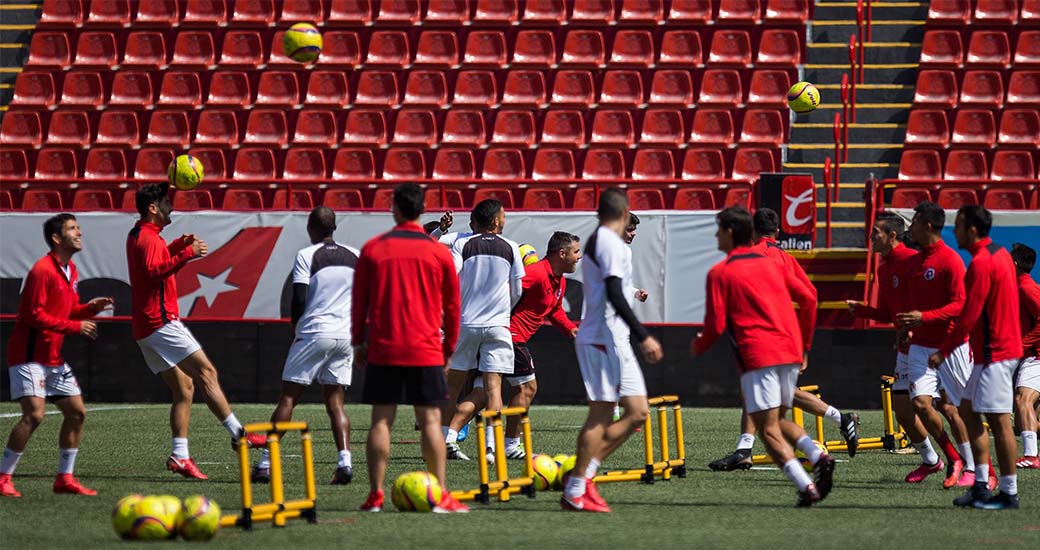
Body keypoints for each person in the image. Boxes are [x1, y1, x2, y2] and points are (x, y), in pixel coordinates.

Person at [692, 206, 833, 507]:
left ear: (731, 233)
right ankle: (819, 455)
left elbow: (715, 326)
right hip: (790, 350)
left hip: (760, 354)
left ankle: (806, 487)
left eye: (718, 230)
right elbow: (809, 298)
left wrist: (698, 347)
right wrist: (805, 345)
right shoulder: (774, 264)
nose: (716, 235)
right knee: (779, 420)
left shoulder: (720, 271)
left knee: (767, 430)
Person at [126, 183, 265, 480]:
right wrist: (187, 253)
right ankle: (238, 433)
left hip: (145, 327)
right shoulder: (149, 239)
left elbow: (153, 263)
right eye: (165, 202)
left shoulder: (143, 234)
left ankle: (180, 456)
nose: (170, 206)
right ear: (152, 208)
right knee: (207, 373)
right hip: (160, 322)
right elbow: (154, 273)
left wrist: (176, 246)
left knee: (184, 388)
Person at [710, 208, 859, 471]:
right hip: (787, 335)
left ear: (752, 232)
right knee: (776, 395)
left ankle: (749, 451)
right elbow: (810, 295)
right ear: (777, 232)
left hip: (765, 337)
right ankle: (840, 419)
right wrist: (804, 346)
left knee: (763, 396)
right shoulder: (785, 258)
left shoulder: (753, 257)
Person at [351, 183, 468, 513]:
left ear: (395, 209)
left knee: (381, 421)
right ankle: (441, 494)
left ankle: (374, 495)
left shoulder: (374, 248)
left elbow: (359, 303)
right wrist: (449, 350)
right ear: (421, 210)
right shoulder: (439, 252)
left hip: (385, 347)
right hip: (426, 348)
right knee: (431, 421)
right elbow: (453, 307)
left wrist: (358, 341)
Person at [563, 189, 664, 513]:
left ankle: (581, 478)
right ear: (623, 212)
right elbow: (614, 295)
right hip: (600, 339)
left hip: (613, 340)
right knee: (602, 414)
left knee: (638, 412)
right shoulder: (607, 241)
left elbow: (618, 292)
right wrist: (644, 335)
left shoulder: (611, 243)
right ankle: (576, 487)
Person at [0, 214, 113, 498]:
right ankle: (3, 478)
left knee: (76, 413)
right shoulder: (42, 270)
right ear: (56, 238)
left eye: (78, 227)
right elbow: (33, 315)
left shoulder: (70, 269)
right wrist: (77, 326)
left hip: (52, 358)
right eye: (73, 228)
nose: (79, 232)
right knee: (34, 416)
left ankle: (64, 479)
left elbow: (68, 309)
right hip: (29, 356)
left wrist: (89, 309)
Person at [444, 232, 582, 461]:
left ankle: (448, 437)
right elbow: (506, 288)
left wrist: (571, 329)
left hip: (503, 336)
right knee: (527, 388)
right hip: (509, 335)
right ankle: (509, 444)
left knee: (481, 393)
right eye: (576, 252)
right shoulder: (536, 273)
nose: (579, 257)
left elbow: (556, 310)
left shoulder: (560, 280)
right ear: (562, 253)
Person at [252, 207, 359, 485]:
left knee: (289, 398)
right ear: (334, 226)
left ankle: (265, 464)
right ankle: (344, 462)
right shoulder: (354, 254)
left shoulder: (306, 255)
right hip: (345, 334)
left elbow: (299, 297)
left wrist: (295, 325)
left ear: (311, 228)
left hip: (314, 331)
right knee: (336, 402)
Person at [931, 206, 1022, 509]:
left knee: (999, 422)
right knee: (967, 411)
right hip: (992, 351)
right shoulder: (999, 252)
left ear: (971, 229)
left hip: (994, 352)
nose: (953, 231)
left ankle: (1008, 493)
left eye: (957, 226)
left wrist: (942, 351)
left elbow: (968, 316)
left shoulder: (981, 263)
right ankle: (981, 484)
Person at [895, 201, 980, 489]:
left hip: (951, 345)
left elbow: (961, 304)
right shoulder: (914, 263)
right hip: (920, 346)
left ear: (927, 226)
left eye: (915, 221)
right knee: (920, 403)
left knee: (957, 410)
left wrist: (925, 317)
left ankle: (977, 468)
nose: (911, 228)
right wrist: (907, 328)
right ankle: (952, 458)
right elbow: (914, 306)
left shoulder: (950, 260)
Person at [846, 213, 934, 479]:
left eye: (875, 233)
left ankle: (967, 463)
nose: (870, 237)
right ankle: (932, 460)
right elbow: (887, 313)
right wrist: (862, 311)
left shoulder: (913, 261)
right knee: (904, 412)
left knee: (946, 409)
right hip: (906, 347)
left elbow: (929, 304)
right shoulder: (884, 268)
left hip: (931, 344)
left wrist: (916, 327)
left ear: (892, 235)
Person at [442, 200, 525, 464]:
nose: (505, 220)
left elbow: (452, 278)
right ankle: (490, 448)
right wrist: (503, 311)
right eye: (503, 216)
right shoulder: (512, 247)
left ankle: (446, 440)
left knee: (452, 385)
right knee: (493, 388)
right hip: (498, 325)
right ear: (495, 221)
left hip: (465, 323)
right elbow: (518, 291)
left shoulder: (462, 244)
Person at [1012, 243, 1040, 469]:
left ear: (1015, 263)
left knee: (1023, 400)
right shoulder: (1018, 286)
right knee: (1029, 410)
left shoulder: (1025, 287)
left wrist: (1022, 345)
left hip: (1036, 355)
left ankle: (1031, 456)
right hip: (1031, 355)